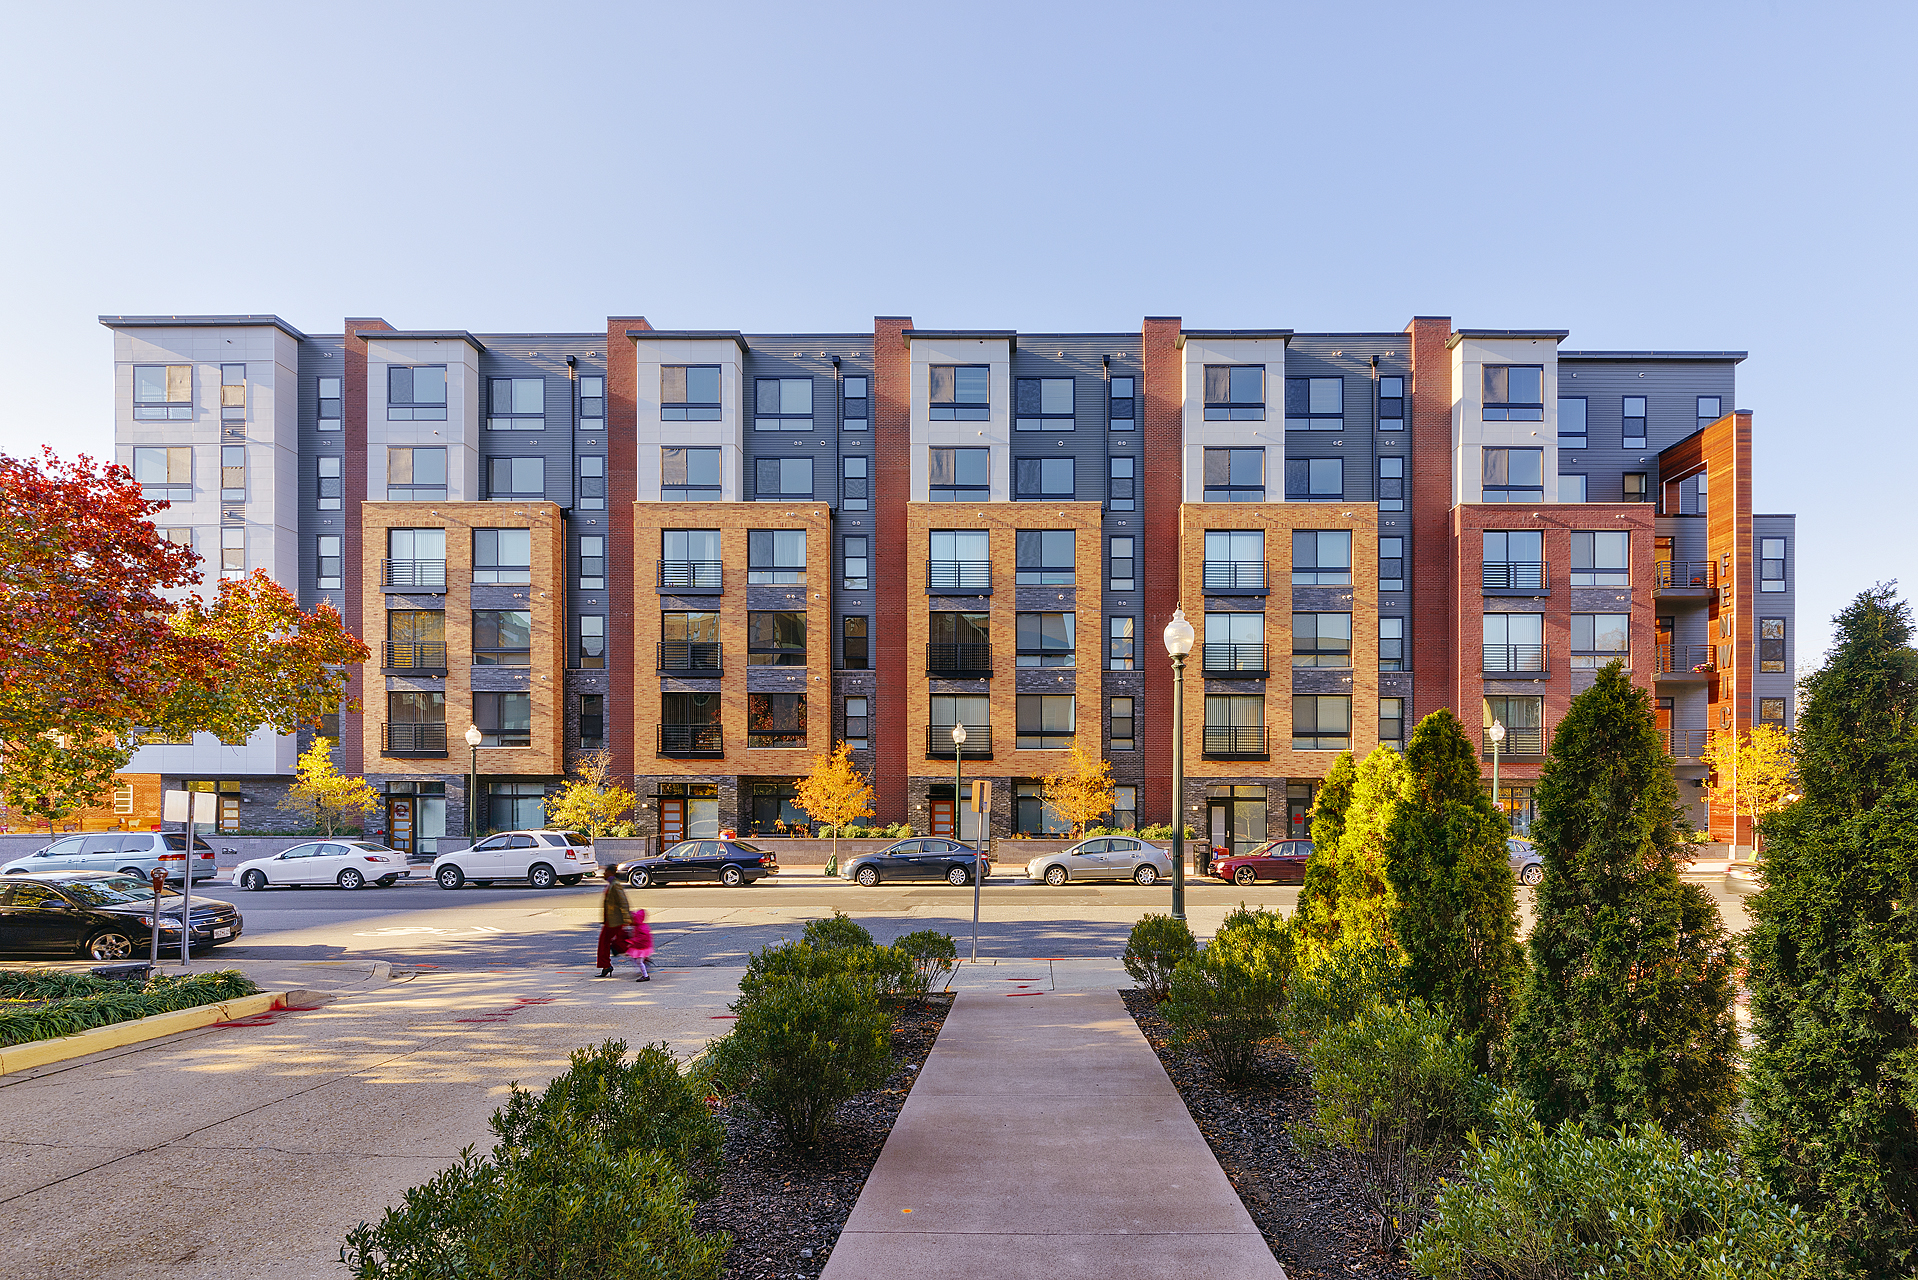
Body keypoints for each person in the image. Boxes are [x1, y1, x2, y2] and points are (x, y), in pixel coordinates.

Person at [596, 877, 632, 978]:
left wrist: (626, 918)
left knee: (617, 944)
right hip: (610, 921)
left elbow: (623, 902)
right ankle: (606, 966)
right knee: (605, 943)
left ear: (611, 872)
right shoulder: (611, 884)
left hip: (616, 921)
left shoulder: (615, 885)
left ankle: (640, 956)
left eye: (606, 871)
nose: (604, 873)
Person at [627, 906, 654, 981]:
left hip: (641, 948)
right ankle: (644, 974)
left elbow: (641, 938)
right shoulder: (640, 927)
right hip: (641, 947)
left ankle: (645, 975)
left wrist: (632, 941)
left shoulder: (640, 928)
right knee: (637, 960)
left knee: (639, 961)